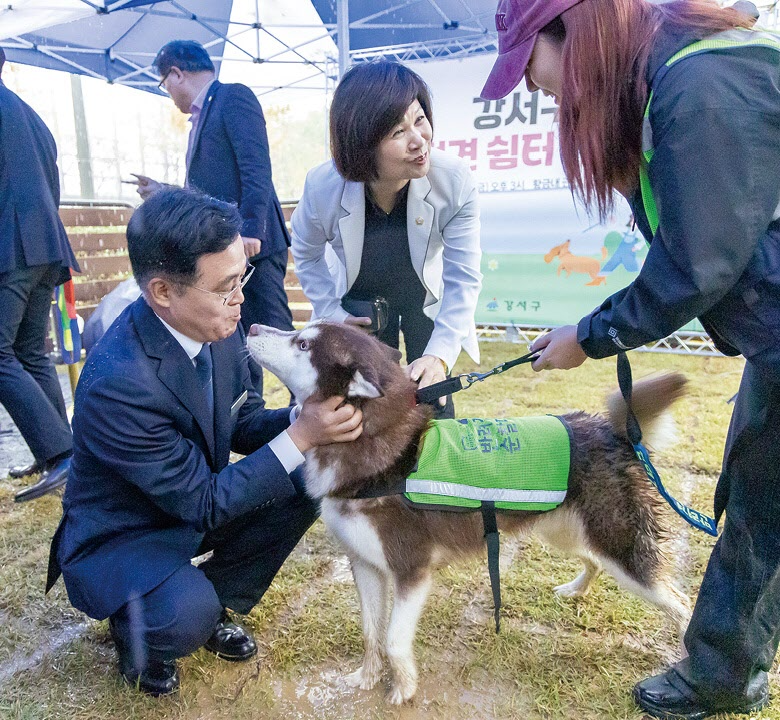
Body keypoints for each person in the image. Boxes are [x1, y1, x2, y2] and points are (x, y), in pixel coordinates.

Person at [481, 0, 780, 717]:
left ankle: (721, 672)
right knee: (755, 490)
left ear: (573, 35)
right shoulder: (673, 76)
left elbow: (695, 266)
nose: (532, 89)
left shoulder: (698, 86)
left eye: (530, 64)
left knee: (762, 497)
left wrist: (588, 336)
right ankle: (729, 664)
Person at [46, 187, 363, 697]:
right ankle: (144, 626)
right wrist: (302, 434)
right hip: (128, 533)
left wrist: (302, 418)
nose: (241, 298)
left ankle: (213, 600)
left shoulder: (215, 321)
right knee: (183, 618)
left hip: (190, 503)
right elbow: (204, 503)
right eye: (225, 287)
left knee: (311, 472)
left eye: (243, 278)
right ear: (163, 291)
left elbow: (243, 418)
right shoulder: (119, 384)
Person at [291, 61, 482, 419]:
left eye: (420, 119)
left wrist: (439, 356)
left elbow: (463, 277)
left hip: (425, 302)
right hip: (359, 304)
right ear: (363, 143)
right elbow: (306, 252)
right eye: (398, 132)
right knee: (364, 406)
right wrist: (332, 313)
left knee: (434, 402)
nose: (418, 140)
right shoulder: (322, 186)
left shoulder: (453, 179)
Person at [132, 40, 294, 389]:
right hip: (223, 251)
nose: (168, 93)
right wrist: (164, 192)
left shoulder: (232, 97)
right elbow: (210, 191)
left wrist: (252, 230)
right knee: (235, 341)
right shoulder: (202, 116)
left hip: (254, 247)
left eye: (164, 84)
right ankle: (251, 415)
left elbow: (256, 167)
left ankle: (314, 416)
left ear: (176, 74)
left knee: (279, 339)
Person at [0, 48, 79, 502]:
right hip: (46, 245)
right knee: (30, 351)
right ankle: (57, 451)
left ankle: (59, 454)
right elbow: (53, 183)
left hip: (11, 247)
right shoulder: (29, 113)